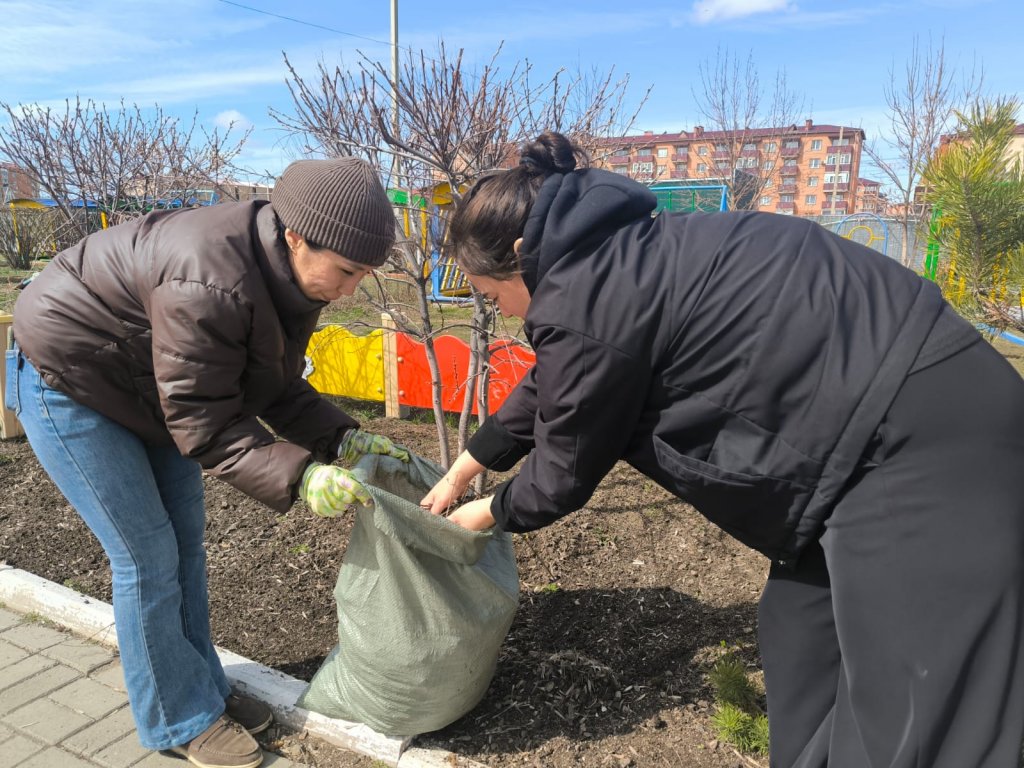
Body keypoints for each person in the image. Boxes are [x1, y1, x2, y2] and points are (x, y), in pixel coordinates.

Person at [421, 131, 1024, 767]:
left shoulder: (589, 290)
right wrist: (466, 468)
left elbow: (561, 471)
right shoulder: (611, 261)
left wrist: (483, 514)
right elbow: (558, 379)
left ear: (521, 254)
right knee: (804, 642)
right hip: (858, 439)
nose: (503, 312)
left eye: (493, 295)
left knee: (915, 713)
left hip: (925, 439)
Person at [5, 157, 409, 768]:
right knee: (146, 558)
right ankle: (177, 717)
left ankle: (200, 687)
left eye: (365, 274)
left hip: (146, 386)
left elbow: (269, 382)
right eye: (348, 271)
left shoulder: (290, 277)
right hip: (69, 379)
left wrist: (340, 439)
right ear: (296, 237)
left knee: (185, 546)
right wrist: (302, 475)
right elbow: (203, 419)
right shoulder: (209, 280)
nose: (351, 288)